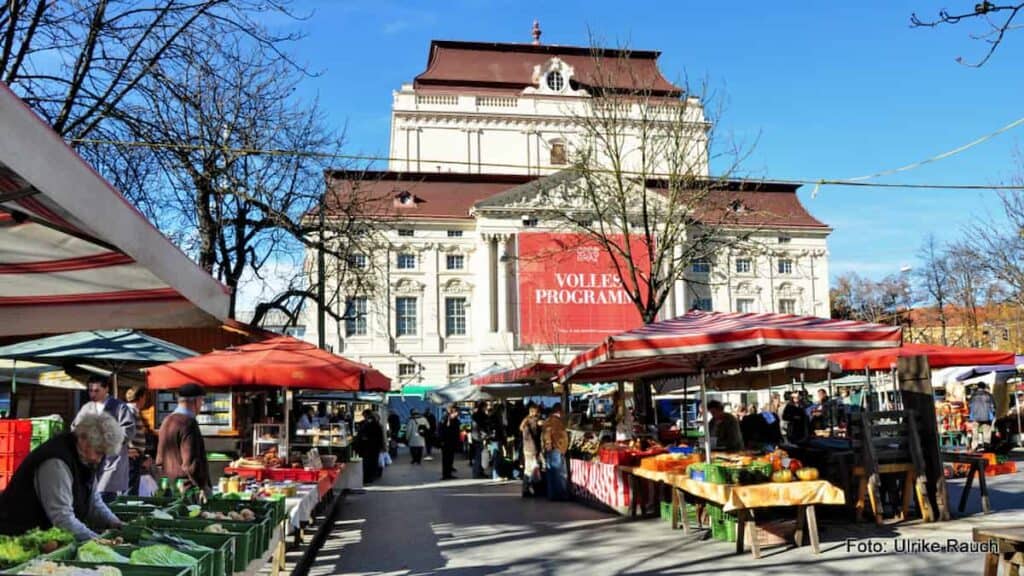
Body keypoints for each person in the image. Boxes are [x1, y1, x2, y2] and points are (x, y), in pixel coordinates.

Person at [0, 413, 125, 540]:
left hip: (43, 537)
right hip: (19, 535)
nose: (99, 460)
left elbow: (93, 502)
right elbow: (62, 517)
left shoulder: (85, 460)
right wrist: (98, 541)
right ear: (83, 439)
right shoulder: (56, 462)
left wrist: (115, 523)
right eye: (98, 452)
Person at [72, 375, 135, 501]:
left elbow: (128, 430)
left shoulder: (119, 407)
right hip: (91, 461)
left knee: (105, 496)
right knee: (90, 497)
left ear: (106, 389)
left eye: (96, 390)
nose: (92, 394)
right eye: (90, 391)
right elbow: (75, 428)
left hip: (111, 461)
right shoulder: (87, 408)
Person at [156, 383, 211, 494]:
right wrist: (203, 486)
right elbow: (191, 463)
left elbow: (160, 459)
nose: (201, 405)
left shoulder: (167, 421)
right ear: (196, 401)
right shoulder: (188, 423)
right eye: (201, 401)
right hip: (188, 490)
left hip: (169, 487)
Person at [541, 402, 569, 501]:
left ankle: (552, 494)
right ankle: (561, 494)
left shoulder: (548, 420)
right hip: (556, 448)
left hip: (551, 449)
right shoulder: (555, 421)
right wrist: (560, 448)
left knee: (551, 472)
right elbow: (548, 434)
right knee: (559, 473)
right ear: (559, 411)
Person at [124, 387, 149, 496]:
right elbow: (123, 431)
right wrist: (127, 449)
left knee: (133, 485)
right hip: (132, 456)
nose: (145, 401)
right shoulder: (129, 411)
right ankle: (128, 509)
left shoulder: (133, 411)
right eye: (144, 397)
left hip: (136, 455)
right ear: (140, 397)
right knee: (131, 487)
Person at [519, 402, 543, 497]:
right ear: (534, 412)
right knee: (534, 469)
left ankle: (525, 489)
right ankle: (534, 489)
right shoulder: (532, 421)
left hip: (526, 449)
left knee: (528, 469)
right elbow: (536, 433)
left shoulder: (525, 421)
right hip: (532, 449)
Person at [355, 410, 384, 484]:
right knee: (372, 463)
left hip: (368, 447)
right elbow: (380, 436)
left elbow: (366, 434)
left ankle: (367, 479)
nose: (363, 417)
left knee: (368, 463)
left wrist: (364, 438)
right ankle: (370, 478)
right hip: (373, 447)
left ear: (367, 415)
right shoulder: (375, 424)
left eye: (364, 415)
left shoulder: (369, 423)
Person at [969, 383, 996, 451]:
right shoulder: (989, 395)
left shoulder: (973, 396)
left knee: (975, 433)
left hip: (975, 417)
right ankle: (987, 447)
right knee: (987, 432)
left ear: (978, 387)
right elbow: (993, 406)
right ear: (984, 387)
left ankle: (974, 447)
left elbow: (969, 406)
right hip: (986, 417)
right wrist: (992, 414)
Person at [440, 404, 462, 480]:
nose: (458, 414)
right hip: (447, 442)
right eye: (457, 412)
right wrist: (443, 440)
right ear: (453, 411)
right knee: (447, 458)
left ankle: (448, 473)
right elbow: (443, 430)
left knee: (450, 458)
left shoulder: (451, 419)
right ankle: (446, 474)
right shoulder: (447, 419)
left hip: (451, 442)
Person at [471, 402, 488, 478]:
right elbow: (482, 426)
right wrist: (485, 434)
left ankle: (477, 472)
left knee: (478, 455)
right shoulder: (481, 415)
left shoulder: (476, 415)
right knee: (479, 455)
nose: (486, 408)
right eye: (485, 407)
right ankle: (478, 473)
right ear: (483, 407)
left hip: (475, 436)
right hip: (479, 437)